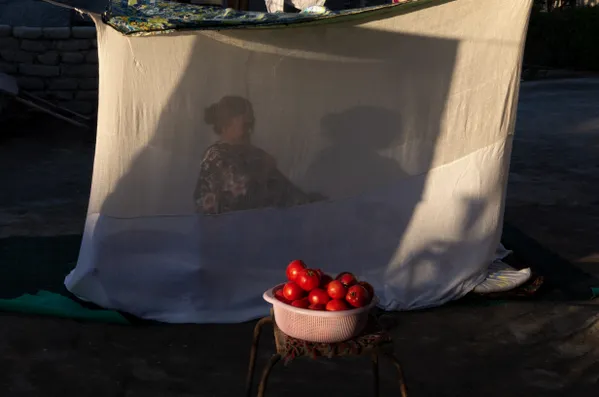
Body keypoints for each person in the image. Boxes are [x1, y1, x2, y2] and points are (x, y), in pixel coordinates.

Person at [194, 96, 323, 214]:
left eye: (251, 122)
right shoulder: (215, 157)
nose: (249, 127)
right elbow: (233, 195)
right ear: (225, 123)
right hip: (231, 233)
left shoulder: (258, 156)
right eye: (244, 122)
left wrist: (311, 203)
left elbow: (285, 191)